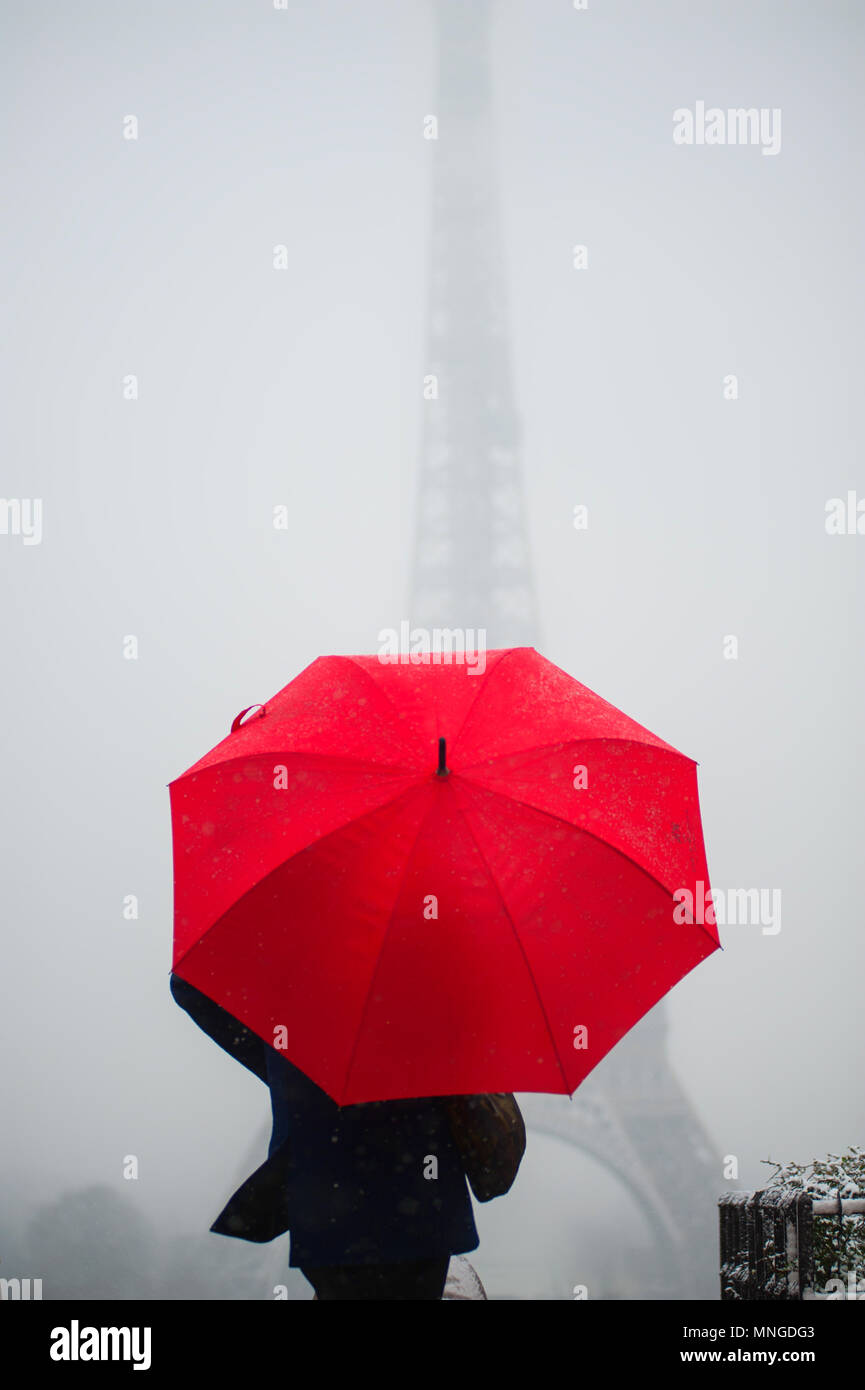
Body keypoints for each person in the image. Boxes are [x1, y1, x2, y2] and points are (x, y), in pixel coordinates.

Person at [169, 972, 479, 1300]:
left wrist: (288, 1067)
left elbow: (190, 985)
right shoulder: (431, 970)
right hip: (421, 1195)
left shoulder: (305, 971)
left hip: (329, 1188)